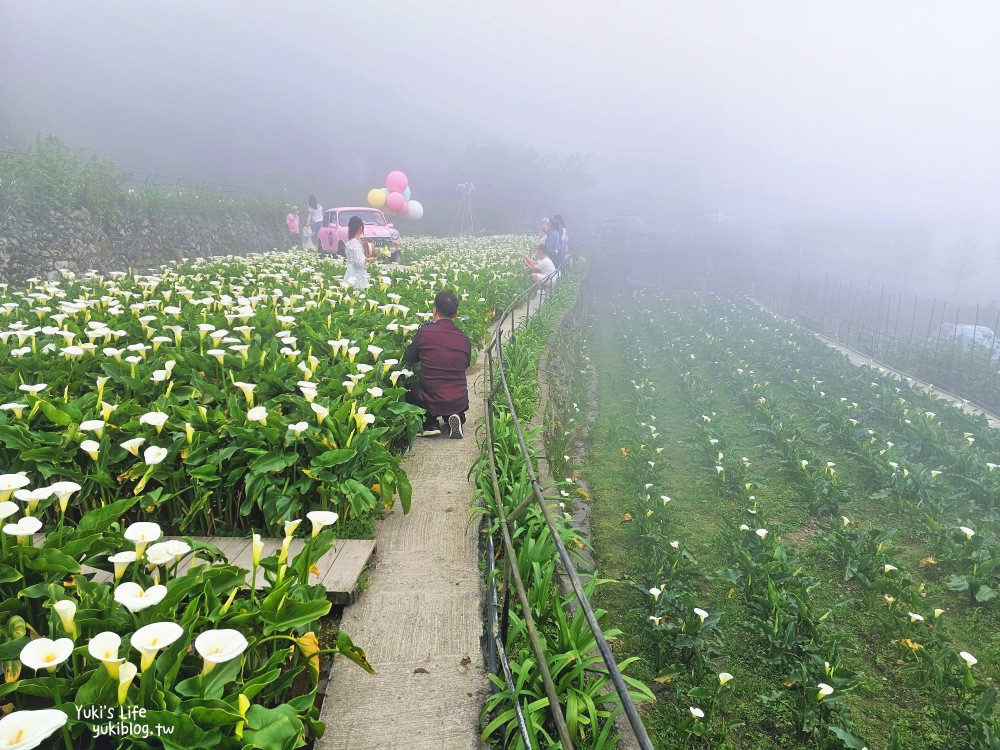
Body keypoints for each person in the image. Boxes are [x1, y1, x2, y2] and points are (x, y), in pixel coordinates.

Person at [403, 289, 471, 439]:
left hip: (430, 398)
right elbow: (465, 364)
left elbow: (409, 358)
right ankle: (455, 415)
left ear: (434, 311)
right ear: (456, 314)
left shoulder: (425, 332)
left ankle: (430, 423)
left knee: (409, 389)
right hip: (459, 399)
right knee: (448, 388)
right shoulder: (464, 338)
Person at [343, 216, 372, 290]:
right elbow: (358, 262)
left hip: (350, 272)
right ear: (360, 228)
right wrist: (369, 259)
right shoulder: (354, 243)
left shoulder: (351, 242)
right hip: (357, 273)